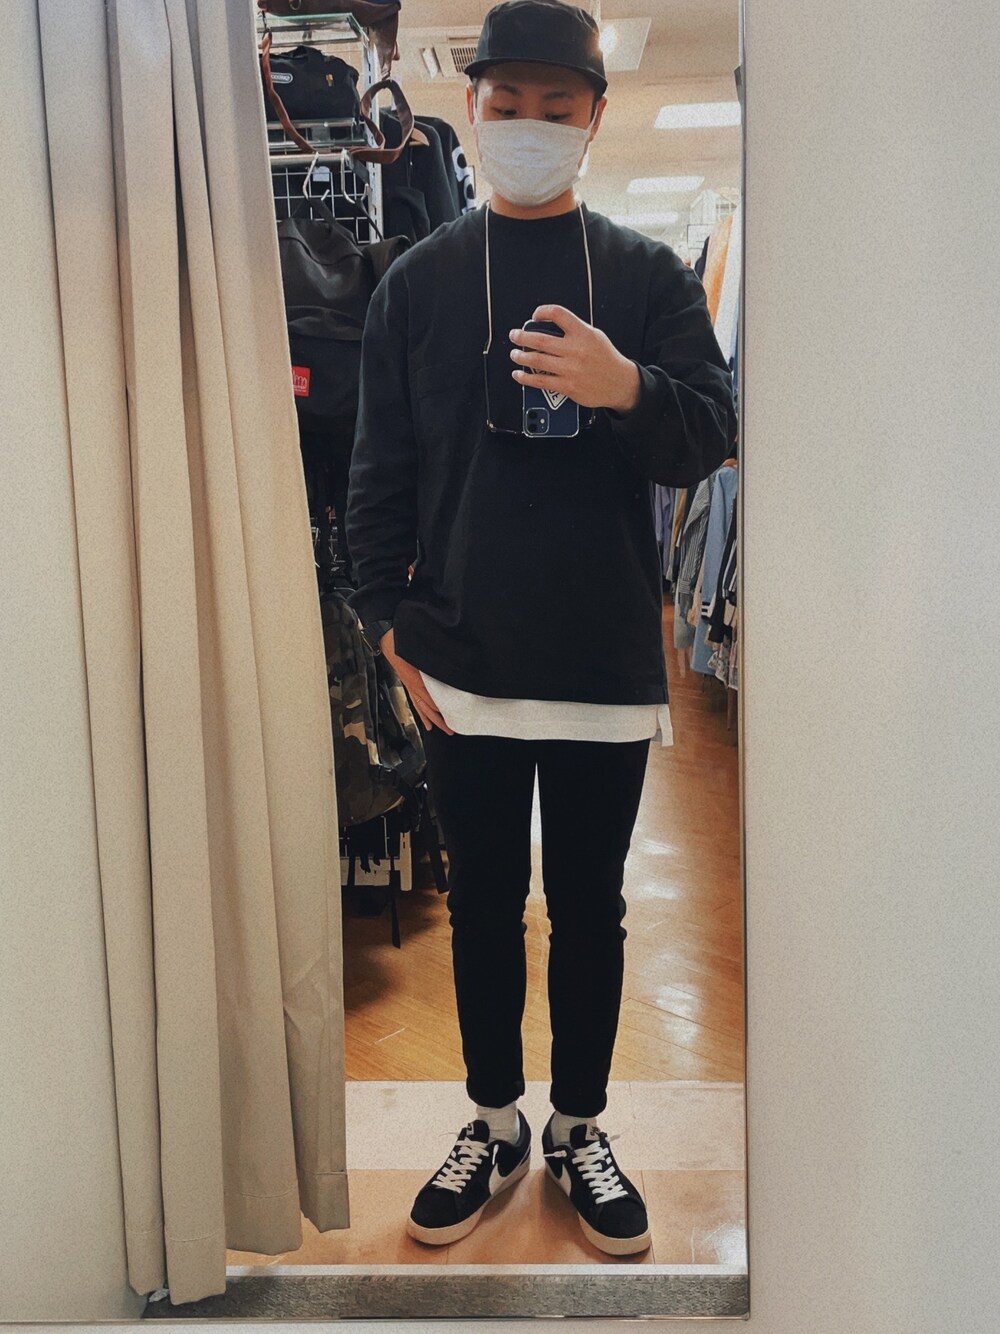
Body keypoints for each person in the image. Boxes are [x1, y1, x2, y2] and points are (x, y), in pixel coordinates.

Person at [346, 0, 736, 1257]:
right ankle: (492, 1117)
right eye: (504, 102)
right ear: (470, 107)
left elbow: (708, 433)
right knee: (480, 903)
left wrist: (625, 387)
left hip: (602, 659)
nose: (526, 123)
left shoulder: (646, 274)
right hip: (458, 659)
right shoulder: (417, 283)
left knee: (590, 908)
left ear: (593, 118)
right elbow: (377, 477)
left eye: (553, 106)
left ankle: (577, 1123)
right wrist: (386, 628)